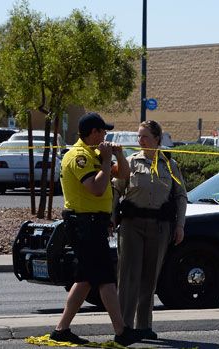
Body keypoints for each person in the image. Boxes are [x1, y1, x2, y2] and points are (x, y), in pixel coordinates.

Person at [51, 112, 140, 347]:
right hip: (83, 224)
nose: (106, 135)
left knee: (86, 279)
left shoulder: (94, 154)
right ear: (94, 133)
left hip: (94, 223)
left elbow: (123, 175)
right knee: (104, 278)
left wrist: (119, 156)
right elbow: (97, 188)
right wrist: (105, 159)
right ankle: (121, 331)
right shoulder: (79, 157)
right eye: (103, 131)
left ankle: (62, 329)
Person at [113, 120, 187, 340]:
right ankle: (124, 327)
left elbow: (180, 196)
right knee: (128, 276)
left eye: (145, 136)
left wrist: (180, 225)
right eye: (139, 136)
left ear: (157, 139)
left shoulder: (169, 165)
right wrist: (111, 217)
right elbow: (117, 191)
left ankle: (144, 325)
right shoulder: (131, 162)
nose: (140, 141)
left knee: (150, 276)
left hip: (160, 225)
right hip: (132, 224)